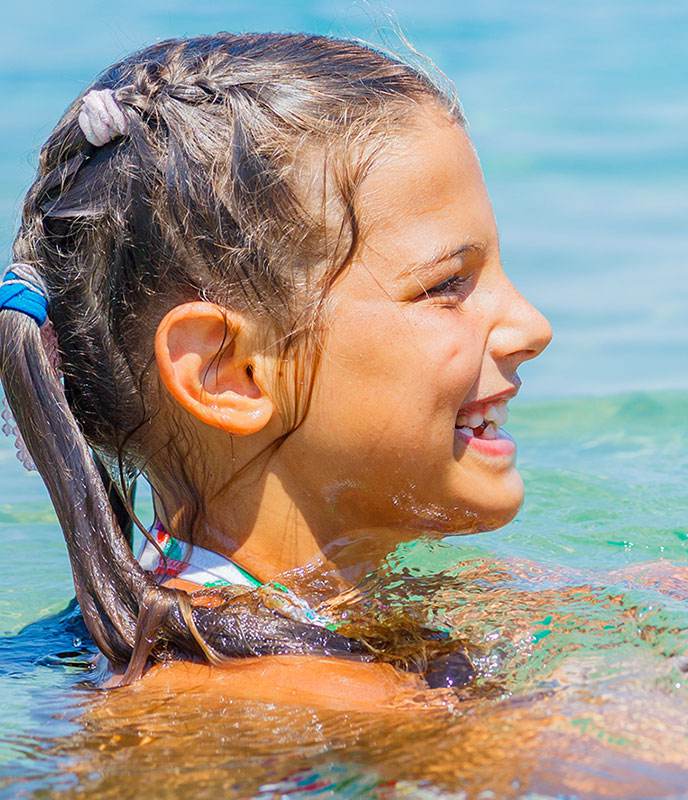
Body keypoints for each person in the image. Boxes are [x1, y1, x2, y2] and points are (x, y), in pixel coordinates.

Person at [0, 32, 551, 707]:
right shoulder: (275, 703)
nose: (531, 326)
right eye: (445, 287)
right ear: (228, 373)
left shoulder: (218, 616)